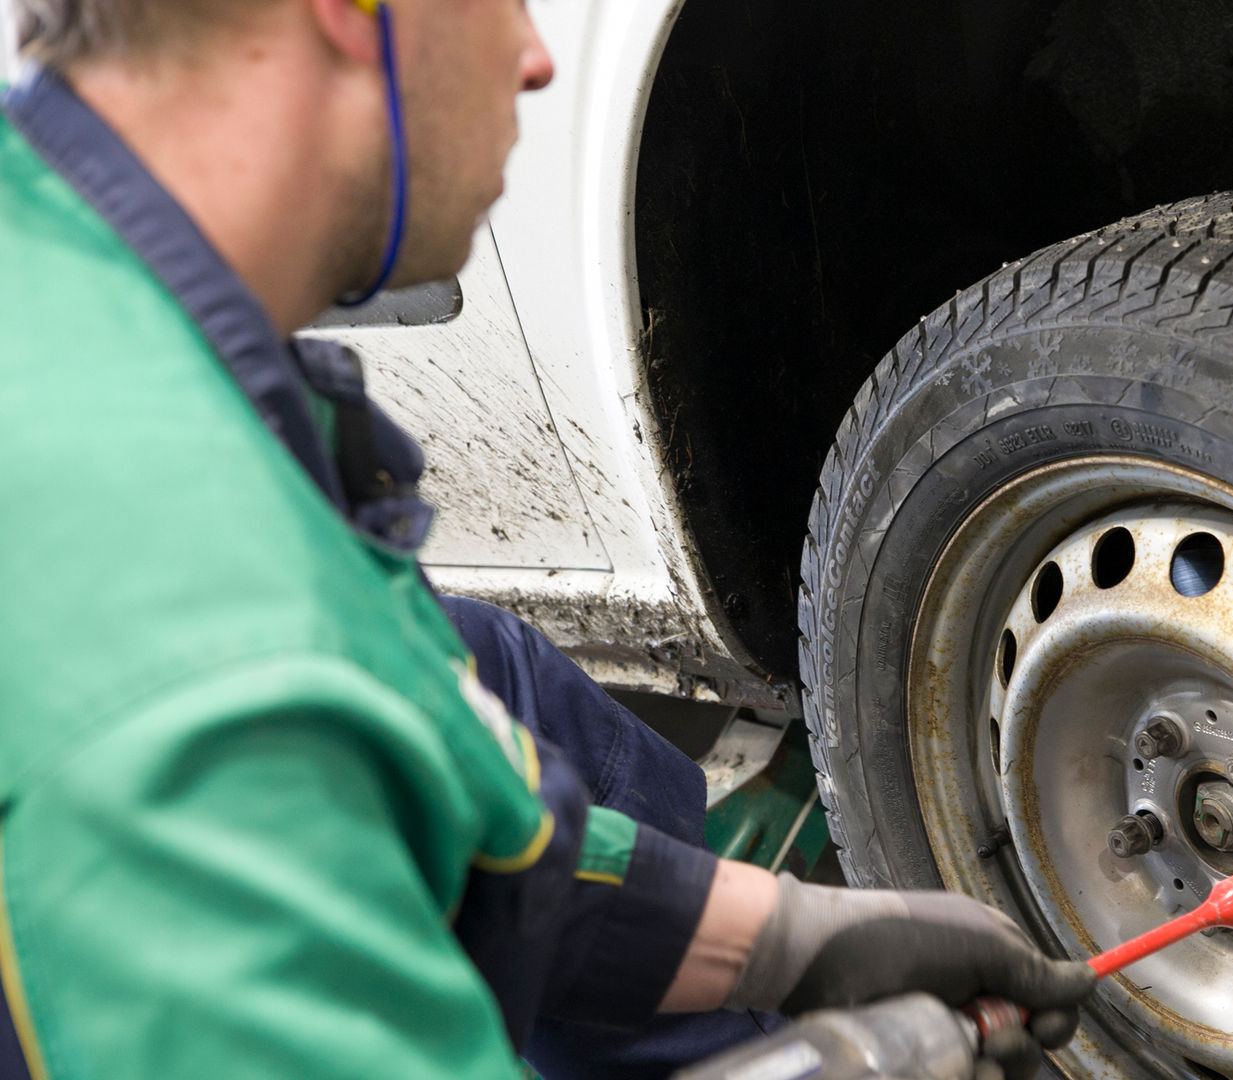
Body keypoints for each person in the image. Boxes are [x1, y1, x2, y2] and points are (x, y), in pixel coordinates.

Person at [0, 2, 1094, 1079]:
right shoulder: (188, 613)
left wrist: (794, 942)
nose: (534, 60)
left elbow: (465, 823)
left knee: (490, 671)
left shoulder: (85, 305)